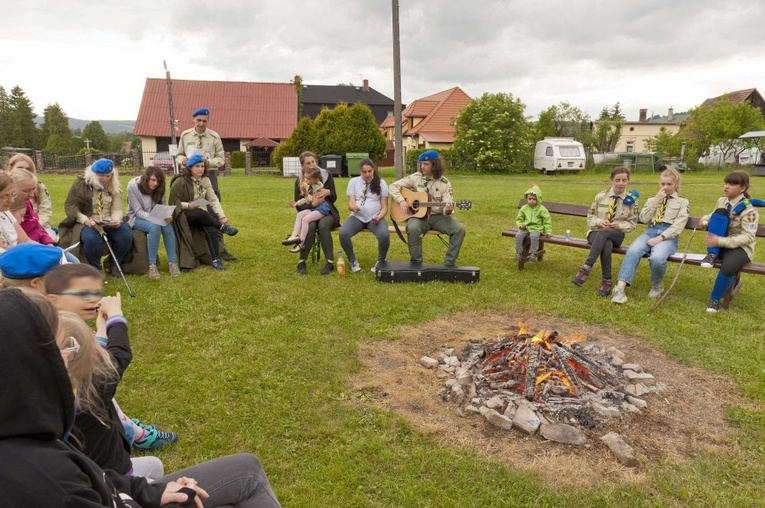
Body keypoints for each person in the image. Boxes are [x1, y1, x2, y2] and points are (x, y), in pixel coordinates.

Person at [0, 289, 283, 508]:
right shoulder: (51, 483)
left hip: (126, 489)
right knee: (247, 472)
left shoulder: (30, 431)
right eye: (65, 347)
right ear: (31, 362)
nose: (70, 359)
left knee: (161, 470)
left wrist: (153, 492)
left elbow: (95, 477)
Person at [44, 263, 179, 452]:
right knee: (106, 401)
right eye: (83, 294)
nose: (93, 300)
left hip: (85, 415)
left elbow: (94, 359)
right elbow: (112, 365)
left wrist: (100, 330)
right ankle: (138, 436)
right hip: (86, 440)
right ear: (54, 299)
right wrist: (116, 317)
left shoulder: (65, 324)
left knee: (108, 402)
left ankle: (135, 433)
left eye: (97, 293)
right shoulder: (62, 335)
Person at [611, 168, 690, 304]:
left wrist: (660, 238)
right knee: (633, 251)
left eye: (669, 184)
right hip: (650, 231)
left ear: (676, 185)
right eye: (663, 184)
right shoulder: (652, 199)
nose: (665, 187)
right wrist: (655, 202)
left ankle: (657, 283)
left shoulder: (682, 202)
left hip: (668, 236)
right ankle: (619, 289)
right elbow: (644, 218)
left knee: (657, 258)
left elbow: (678, 225)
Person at [389, 150, 466, 267]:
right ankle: (416, 262)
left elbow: (447, 205)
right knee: (413, 227)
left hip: (438, 217)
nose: (422, 167)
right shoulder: (415, 178)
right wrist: (401, 201)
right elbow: (393, 186)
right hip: (419, 217)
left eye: (426, 164)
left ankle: (449, 264)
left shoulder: (445, 183)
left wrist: (448, 209)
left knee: (459, 230)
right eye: (421, 163)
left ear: (435, 165)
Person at [571, 166, 638, 296]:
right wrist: (599, 222)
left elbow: (632, 223)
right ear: (611, 180)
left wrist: (618, 225)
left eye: (624, 180)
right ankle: (606, 282)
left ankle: (586, 269)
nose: (621, 183)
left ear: (628, 181)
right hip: (595, 232)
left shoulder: (631, 201)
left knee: (606, 234)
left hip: (616, 235)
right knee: (606, 242)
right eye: (617, 180)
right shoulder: (601, 197)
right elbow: (590, 217)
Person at [58, 159, 133, 275]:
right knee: (92, 239)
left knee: (125, 235)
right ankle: (95, 268)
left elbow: (117, 208)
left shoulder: (113, 186)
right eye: (101, 176)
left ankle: (114, 264)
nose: (105, 179)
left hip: (108, 220)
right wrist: (85, 219)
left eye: (108, 176)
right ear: (93, 174)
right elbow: (70, 205)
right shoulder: (80, 184)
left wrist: (116, 219)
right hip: (87, 220)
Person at [699, 171, 760, 313]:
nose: (726, 186)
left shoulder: (749, 210)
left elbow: (749, 237)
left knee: (728, 266)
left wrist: (721, 241)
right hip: (719, 244)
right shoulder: (722, 201)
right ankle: (712, 255)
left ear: (743, 188)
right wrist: (705, 219)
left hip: (740, 248)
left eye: (732, 184)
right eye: (726, 183)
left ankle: (715, 299)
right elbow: (713, 214)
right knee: (720, 213)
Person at [169, 154, 238, 271]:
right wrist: (188, 205)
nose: (201, 169)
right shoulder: (180, 181)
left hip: (201, 214)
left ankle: (215, 260)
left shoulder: (205, 180)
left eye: (202, 166)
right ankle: (222, 228)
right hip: (183, 214)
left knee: (210, 229)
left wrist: (222, 216)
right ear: (190, 168)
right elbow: (173, 203)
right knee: (199, 213)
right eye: (197, 166)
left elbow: (213, 199)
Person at [127, 167, 180, 279]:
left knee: (167, 226)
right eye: (153, 180)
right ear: (146, 178)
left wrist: (166, 216)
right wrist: (154, 217)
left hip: (155, 216)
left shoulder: (160, 187)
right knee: (155, 226)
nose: (156, 184)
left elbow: (162, 206)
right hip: (136, 218)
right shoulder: (132, 186)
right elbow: (137, 211)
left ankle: (172, 263)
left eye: (159, 181)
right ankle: (152, 265)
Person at [338, 158, 390, 273]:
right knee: (343, 233)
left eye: (369, 171)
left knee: (384, 235)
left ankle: (380, 261)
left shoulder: (381, 183)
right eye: (364, 172)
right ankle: (353, 261)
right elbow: (350, 203)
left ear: (374, 170)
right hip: (358, 217)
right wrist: (353, 207)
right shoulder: (353, 182)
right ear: (359, 171)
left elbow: (385, 207)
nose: (367, 174)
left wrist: (379, 217)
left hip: (375, 217)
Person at [293, 151, 341, 275]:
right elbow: (299, 205)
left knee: (323, 225)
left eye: (313, 161)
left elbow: (334, 197)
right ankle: (302, 261)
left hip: (327, 211)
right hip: (310, 211)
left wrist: (328, 192)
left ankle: (329, 262)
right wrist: (312, 205)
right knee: (310, 225)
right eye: (308, 163)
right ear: (303, 166)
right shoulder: (300, 181)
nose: (311, 164)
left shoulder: (326, 175)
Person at [175, 107, 225, 202]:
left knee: (212, 201)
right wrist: (182, 160)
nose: (201, 123)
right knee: (188, 200)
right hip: (189, 174)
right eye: (198, 120)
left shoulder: (214, 137)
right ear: (193, 120)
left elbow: (221, 159)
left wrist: (208, 162)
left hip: (208, 174)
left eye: (204, 121)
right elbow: (179, 155)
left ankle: (214, 217)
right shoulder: (185, 135)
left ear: (208, 121)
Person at [6, 153, 55, 237]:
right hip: (19, 229)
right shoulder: (5, 191)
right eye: (20, 168)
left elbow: (46, 211)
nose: (24, 171)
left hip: (39, 224)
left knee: (51, 237)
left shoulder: (39, 187)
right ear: (11, 168)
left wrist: (37, 225)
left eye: (28, 169)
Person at [283, 168, 331, 253]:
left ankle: (301, 243)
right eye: (305, 178)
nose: (306, 180)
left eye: (308, 179)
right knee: (299, 215)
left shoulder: (319, 187)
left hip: (321, 209)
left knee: (305, 220)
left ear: (316, 179)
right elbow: (306, 199)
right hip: (314, 208)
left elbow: (311, 199)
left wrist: (305, 192)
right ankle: (294, 235)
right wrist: (296, 203)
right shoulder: (310, 186)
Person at [514, 184, 552, 262]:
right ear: (527, 198)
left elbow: (547, 220)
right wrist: (521, 226)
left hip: (536, 228)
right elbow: (519, 219)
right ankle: (519, 253)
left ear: (538, 199)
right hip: (526, 227)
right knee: (518, 235)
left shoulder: (542, 209)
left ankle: (533, 253)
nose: (531, 201)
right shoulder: (524, 208)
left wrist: (548, 231)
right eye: (529, 199)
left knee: (534, 236)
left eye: (534, 199)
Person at [0, 172, 32, 253]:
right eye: (5, 196)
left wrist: (47, 250)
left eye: (13, 194)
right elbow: (4, 257)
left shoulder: (5, 213)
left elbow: (25, 241)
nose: (12, 200)